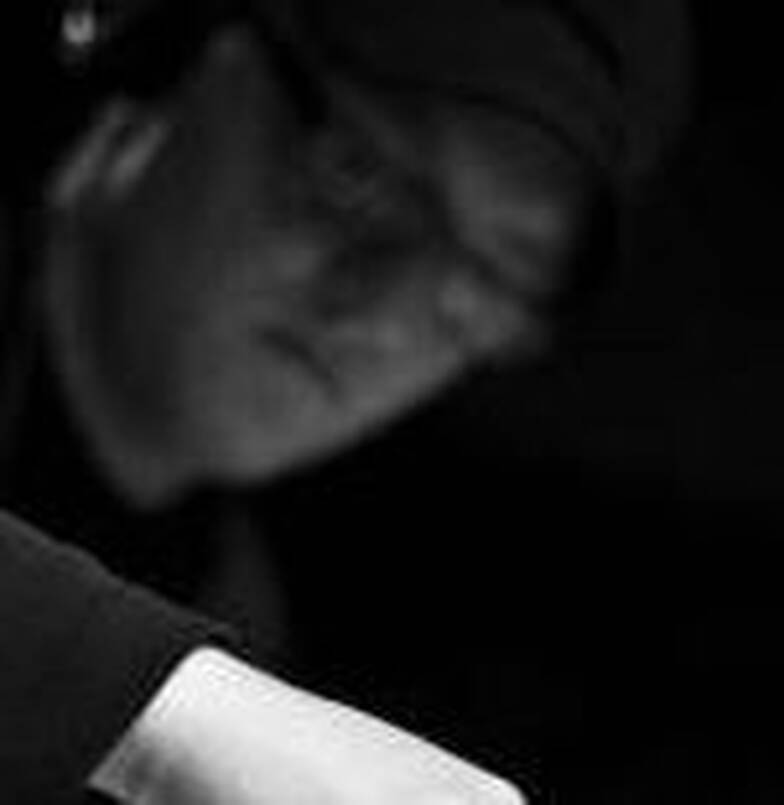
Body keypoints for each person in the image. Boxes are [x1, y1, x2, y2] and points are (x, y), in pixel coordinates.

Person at [0, 0, 694, 802]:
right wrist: (156, 705)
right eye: (358, 172)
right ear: (173, 63)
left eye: (486, 279)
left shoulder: (242, 613)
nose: (384, 309)